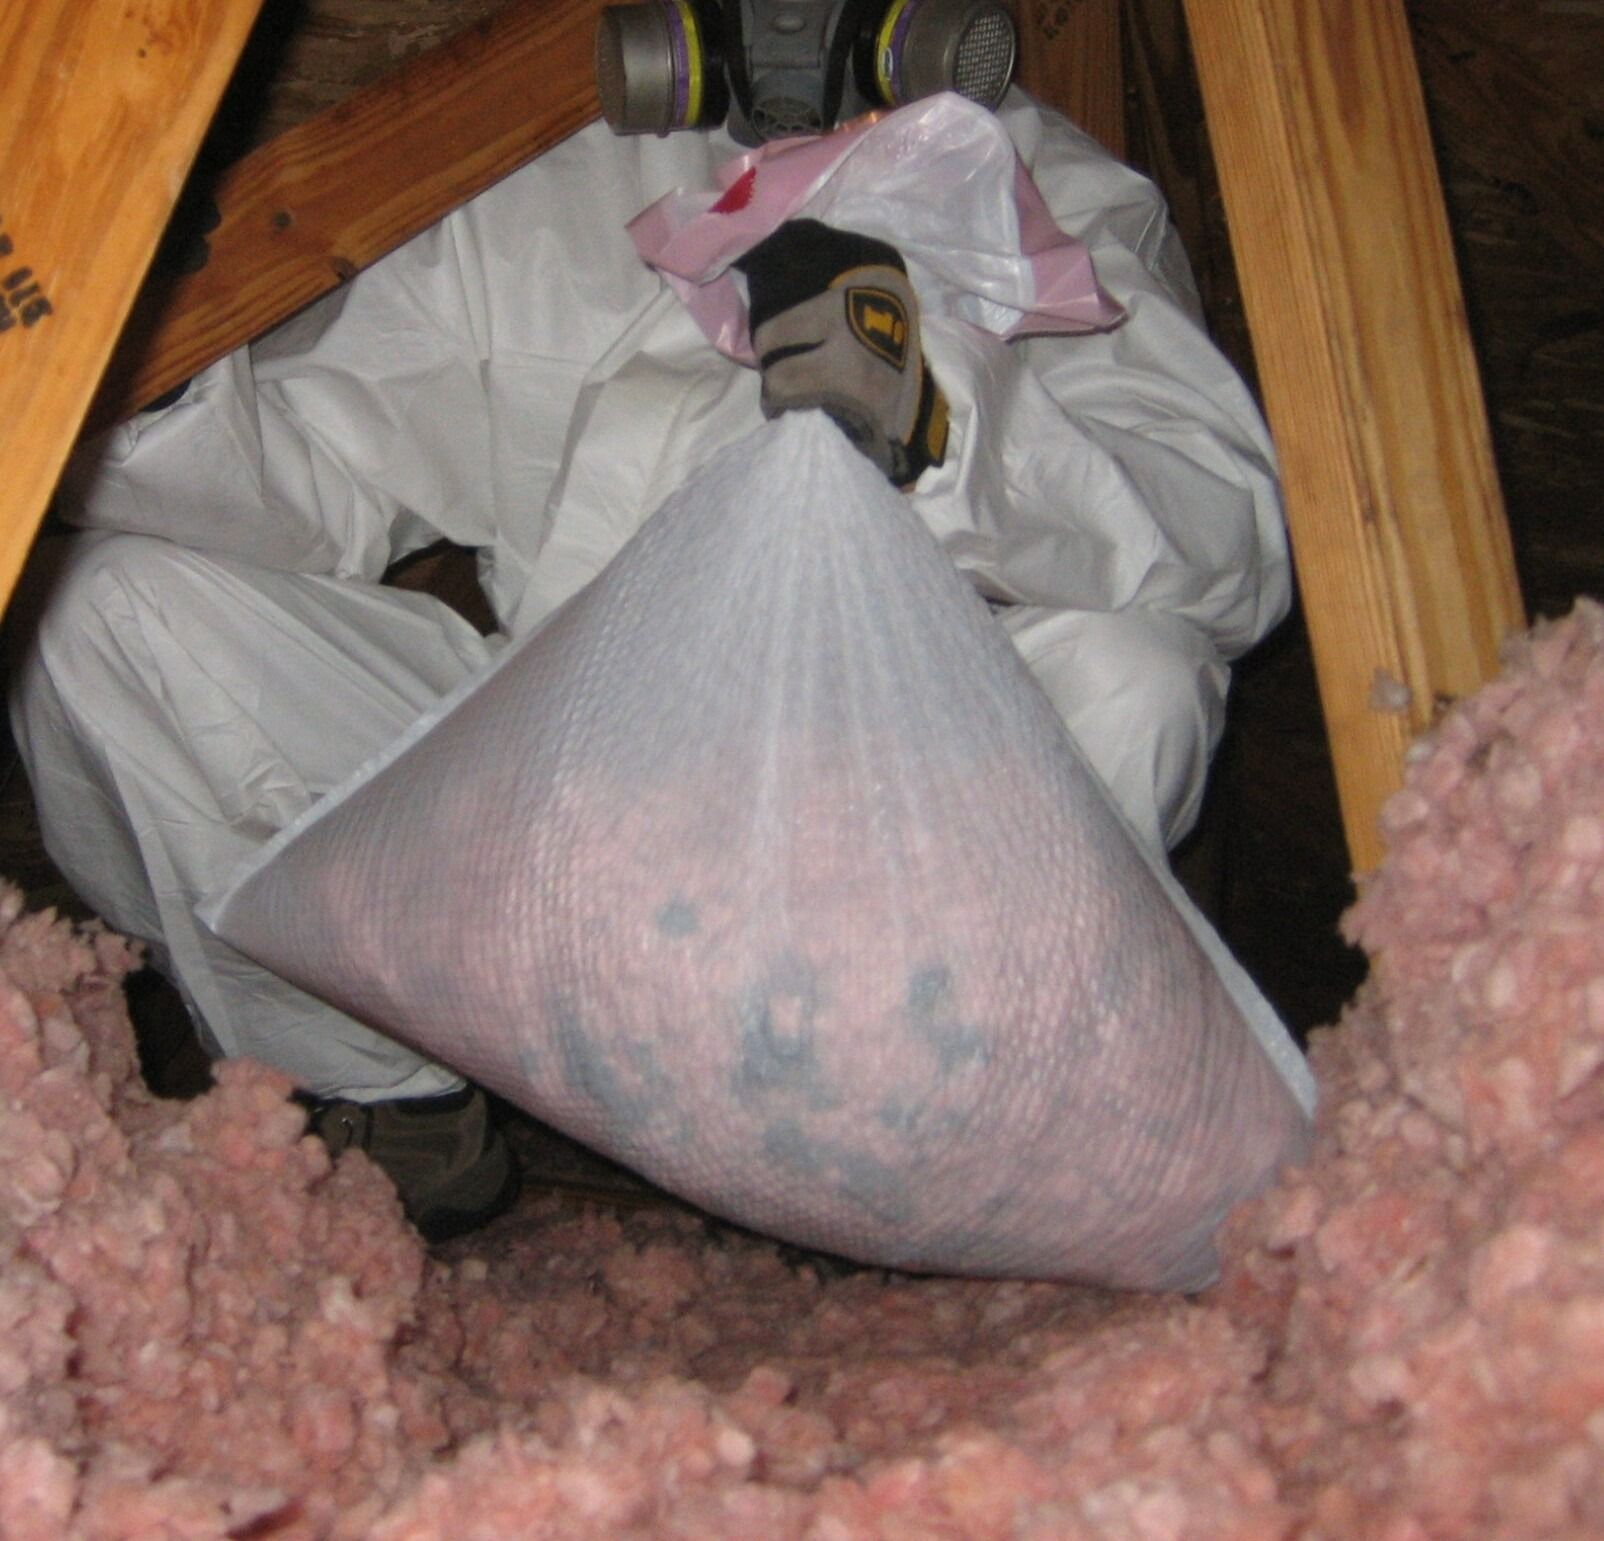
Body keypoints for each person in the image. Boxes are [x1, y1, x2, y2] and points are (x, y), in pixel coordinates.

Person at [6, 89, 1290, 1240]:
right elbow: (315, 470)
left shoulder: (1042, 185)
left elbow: (1222, 537)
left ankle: (926, 1146)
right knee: (101, 616)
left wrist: (940, 420)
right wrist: (143, 352)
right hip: (564, 833)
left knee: (1131, 674)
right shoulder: (532, 185)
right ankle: (388, 1105)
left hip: (887, 872)